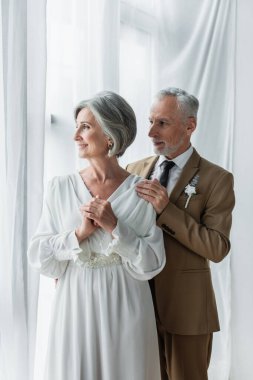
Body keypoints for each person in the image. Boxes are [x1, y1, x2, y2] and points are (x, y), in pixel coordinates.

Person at [27, 91, 166, 380]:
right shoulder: (60, 187)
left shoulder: (142, 191)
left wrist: (115, 226)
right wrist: (79, 234)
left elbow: (150, 264)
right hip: (74, 303)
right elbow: (39, 257)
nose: (75, 135)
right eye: (77, 126)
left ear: (111, 135)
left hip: (126, 304)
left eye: (85, 127)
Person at [126, 87, 235, 380]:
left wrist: (166, 209)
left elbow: (217, 247)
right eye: (150, 121)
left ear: (190, 126)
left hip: (187, 312)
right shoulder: (133, 170)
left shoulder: (217, 179)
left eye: (162, 122)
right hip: (135, 306)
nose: (150, 132)